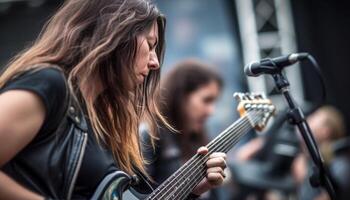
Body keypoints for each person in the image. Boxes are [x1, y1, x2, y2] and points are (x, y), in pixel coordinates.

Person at [0, 0, 227, 199]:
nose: (155, 62)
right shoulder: (50, 85)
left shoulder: (102, 118)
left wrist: (190, 190)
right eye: (149, 45)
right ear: (115, 34)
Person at [142, 59, 224, 199]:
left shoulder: (199, 139)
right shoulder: (150, 137)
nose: (211, 111)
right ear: (181, 97)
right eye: (206, 100)